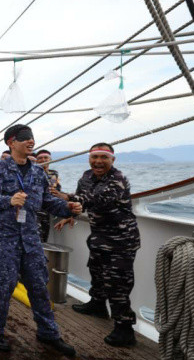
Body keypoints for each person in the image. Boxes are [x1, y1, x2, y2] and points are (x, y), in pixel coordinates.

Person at [0, 124, 81, 356]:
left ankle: (48, 332)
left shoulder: (37, 172)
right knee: (3, 287)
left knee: (38, 286)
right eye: (24, 138)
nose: (30, 141)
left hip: (30, 238)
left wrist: (67, 207)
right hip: (4, 238)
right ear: (10, 143)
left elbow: (46, 201)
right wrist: (8, 200)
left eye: (32, 138)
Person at [56, 143, 140, 347]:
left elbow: (99, 200)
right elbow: (80, 203)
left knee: (118, 283)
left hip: (121, 240)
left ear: (113, 160)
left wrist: (65, 196)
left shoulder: (118, 180)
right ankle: (97, 305)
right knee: (97, 271)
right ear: (89, 159)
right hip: (99, 236)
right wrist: (71, 214)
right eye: (94, 157)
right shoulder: (86, 177)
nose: (98, 162)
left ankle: (124, 328)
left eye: (104, 157)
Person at [35, 149, 61, 243]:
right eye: (40, 158)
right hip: (34, 212)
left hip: (46, 212)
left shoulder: (53, 173)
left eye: (45, 158)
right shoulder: (32, 173)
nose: (43, 160)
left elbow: (53, 188)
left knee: (44, 239)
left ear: (50, 159)